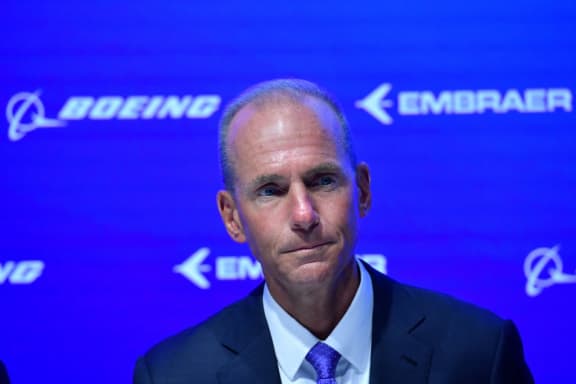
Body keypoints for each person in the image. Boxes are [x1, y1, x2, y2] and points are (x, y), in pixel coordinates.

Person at [133, 79, 534, 383]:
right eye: (270, 191)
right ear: (232, 217)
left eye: (323, 181)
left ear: (361, 191)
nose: (304, 215)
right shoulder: (174, 374)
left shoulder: (479, 351)